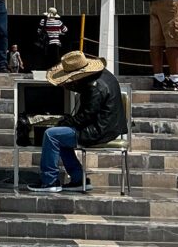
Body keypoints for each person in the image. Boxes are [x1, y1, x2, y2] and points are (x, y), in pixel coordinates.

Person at [35, 49, 125, 193]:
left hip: (99, 130)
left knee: (51, 135)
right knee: (60, 135)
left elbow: (86, 116)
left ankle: (49, 181)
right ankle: (78, 179)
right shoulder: (104, 74)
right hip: (110, 126)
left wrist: (64, 122)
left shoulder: (93, 88)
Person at [34, 6, 67, 74]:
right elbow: (65, 30)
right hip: (56, 43)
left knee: (46, 58)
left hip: (46, 43)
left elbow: (38, 31)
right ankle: (55, 72)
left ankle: (47, 71)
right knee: (55, 59)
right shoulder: (59, 22)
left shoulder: (43, 21)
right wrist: (58, 31)